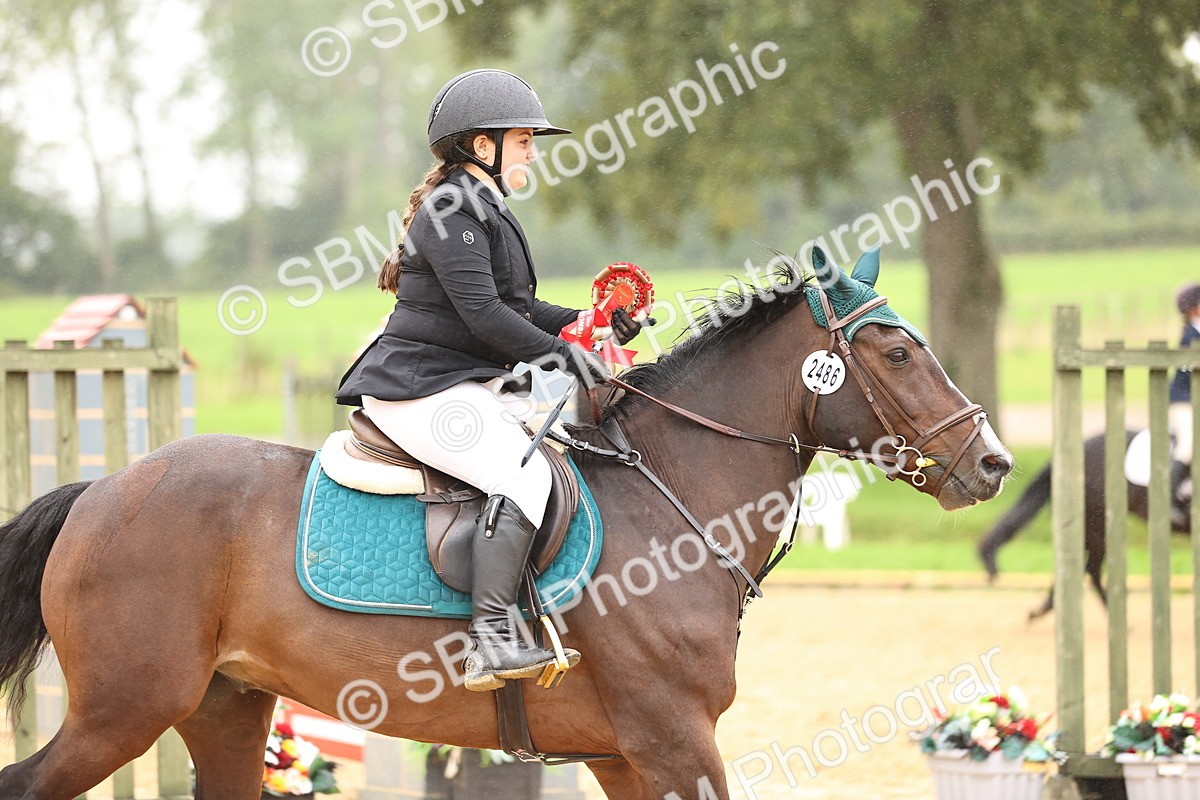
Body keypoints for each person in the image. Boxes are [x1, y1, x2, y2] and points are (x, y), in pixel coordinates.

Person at [336, 69, 645, 692]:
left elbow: (518, 308)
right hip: (416, 389)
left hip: (454, 383)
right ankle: (491, 639)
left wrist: (593, 325)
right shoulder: (454, 208)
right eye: (524, 140)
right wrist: (566, 358)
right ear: (484, 146)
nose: (533, 151)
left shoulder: (481, 205)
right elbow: (484, 316)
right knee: (523, 475)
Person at [1170, 283, 1200, 522]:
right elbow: (1187, 372)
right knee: (1188, 443)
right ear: (1192, 309)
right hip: (1184, 401)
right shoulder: (1189, 336)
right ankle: (1169, 498)